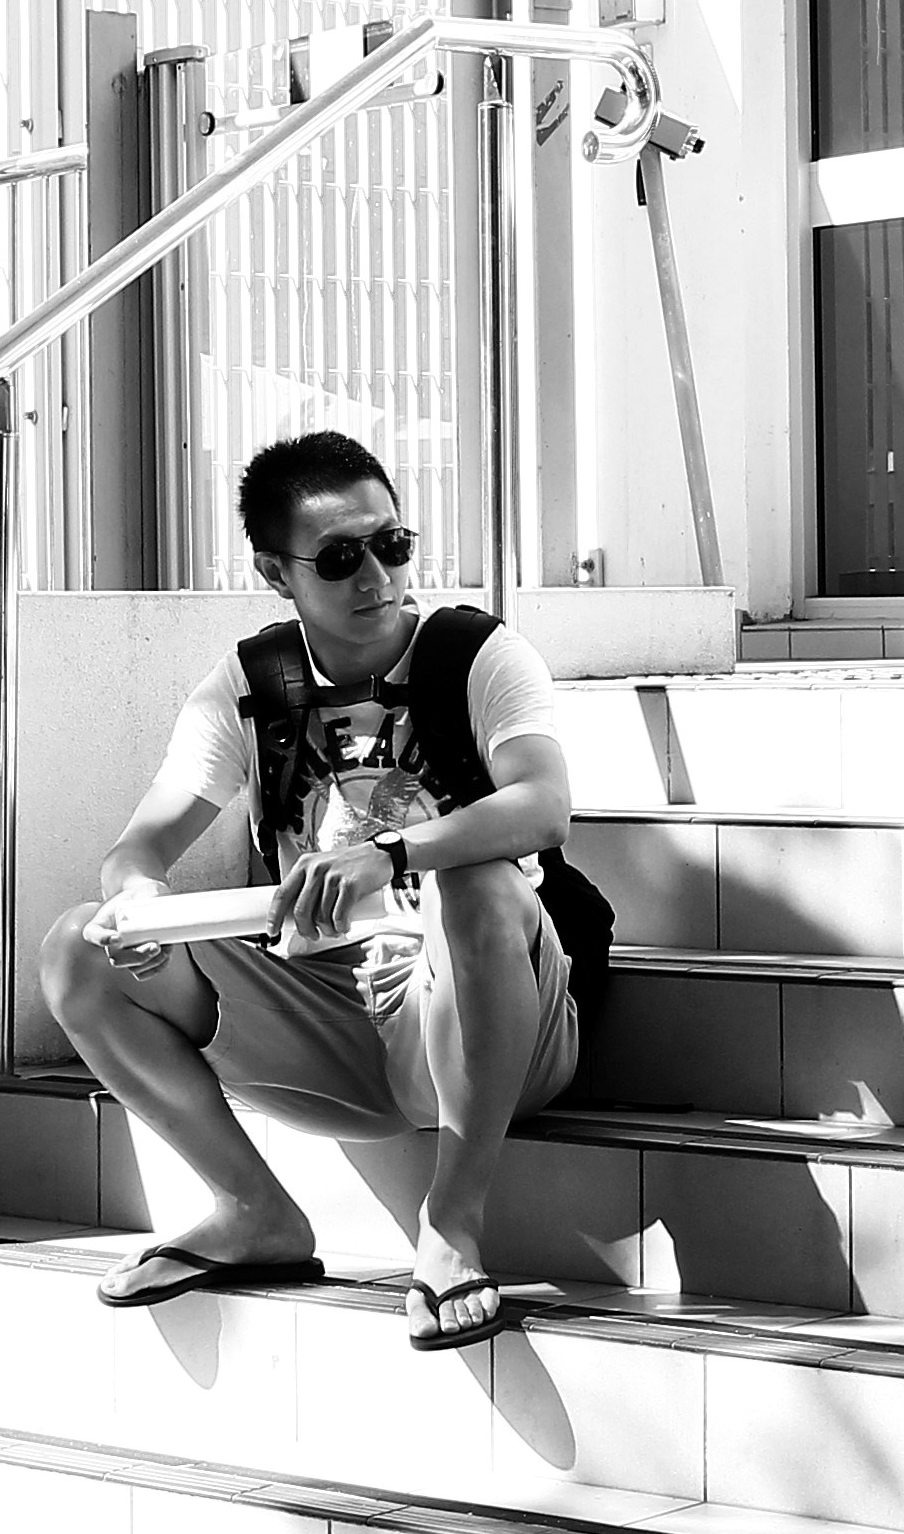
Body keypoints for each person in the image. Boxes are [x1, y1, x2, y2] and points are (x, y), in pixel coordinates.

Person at [37, 431, 580, 1354]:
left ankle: (449, 1224)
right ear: (273, 571)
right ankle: (254, 1212)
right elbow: (139, 846)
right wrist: (139, 911)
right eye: (338, 558)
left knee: (476, 885)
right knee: (75, 947)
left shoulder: (477, 656)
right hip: (319, 1024)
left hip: (473, 1015)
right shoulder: (253, 685)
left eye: (391, 544)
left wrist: (394, 853)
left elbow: (542, 806)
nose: (375, 575)